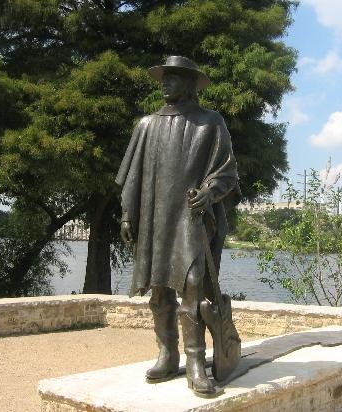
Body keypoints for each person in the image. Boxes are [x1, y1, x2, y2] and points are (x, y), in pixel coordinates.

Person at [115, 56, 240, 397]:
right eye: (163, 78)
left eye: (173, 78)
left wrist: (208, 192)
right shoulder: (146, 125)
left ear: (189, 84)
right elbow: (132, 177)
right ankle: (167, 354)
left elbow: (227, 172)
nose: (165, 83)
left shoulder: (210, 123)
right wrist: (127, 214)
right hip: (154, 218)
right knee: (159, 289)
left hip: (191, 217)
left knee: (193, 286)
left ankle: (196, 363)